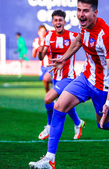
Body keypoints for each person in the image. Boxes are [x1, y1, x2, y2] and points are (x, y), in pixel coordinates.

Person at [29, 0, 109, 168]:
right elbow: (78, 41)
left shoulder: (106, 35)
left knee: (103, 124)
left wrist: (108, 101)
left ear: (95, 12)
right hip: (86, 78)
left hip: (104, 87)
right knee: (59, 106)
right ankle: (49, 159)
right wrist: (64, 58)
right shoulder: (83, 26)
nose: (81, 14)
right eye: (78, 10)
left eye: (85, 11)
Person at [36, 10, 85, 141]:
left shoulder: (71, 36)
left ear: (64, 22)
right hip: (56, 77)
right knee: (65, 104)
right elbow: (42, 55)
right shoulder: (49, 36)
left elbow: (82, 42)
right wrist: (40, 52)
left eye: (60, 20)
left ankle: (49, 125)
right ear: (52, 22)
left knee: (48, 99)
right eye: (56, 20)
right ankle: (78, 123)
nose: (58, 22)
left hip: (68, 77)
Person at [32, 25, 53, 93]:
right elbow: (33, 55)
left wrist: (42, 49)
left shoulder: (49, 41)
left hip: (50, 65)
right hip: (42, 66)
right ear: (38, 32)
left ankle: (58, 83)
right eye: (41, 31)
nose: (42, 33)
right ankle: (51, 99)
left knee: (46, 79)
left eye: (44, 31)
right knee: (45, 84)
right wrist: (35, 49)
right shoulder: (36, 41)